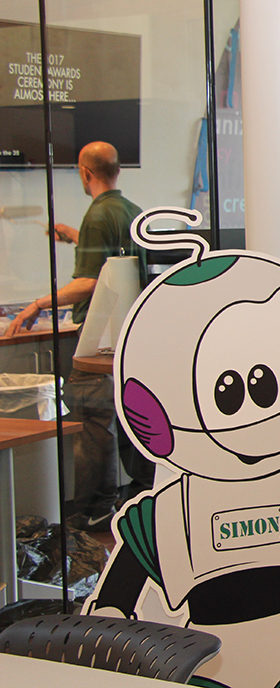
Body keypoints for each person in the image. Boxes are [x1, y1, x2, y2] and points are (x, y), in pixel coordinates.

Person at [3, 141, 148, 531]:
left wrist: (37, 305)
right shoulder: (127, 210)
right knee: (121, 418)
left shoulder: (99, 215)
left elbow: (88, 282)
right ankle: (125, 501)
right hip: (126, 336)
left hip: (97, 339)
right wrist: (75, 235)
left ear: (85, 172)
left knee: (91, 420)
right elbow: (111, 262)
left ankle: (87, 514)